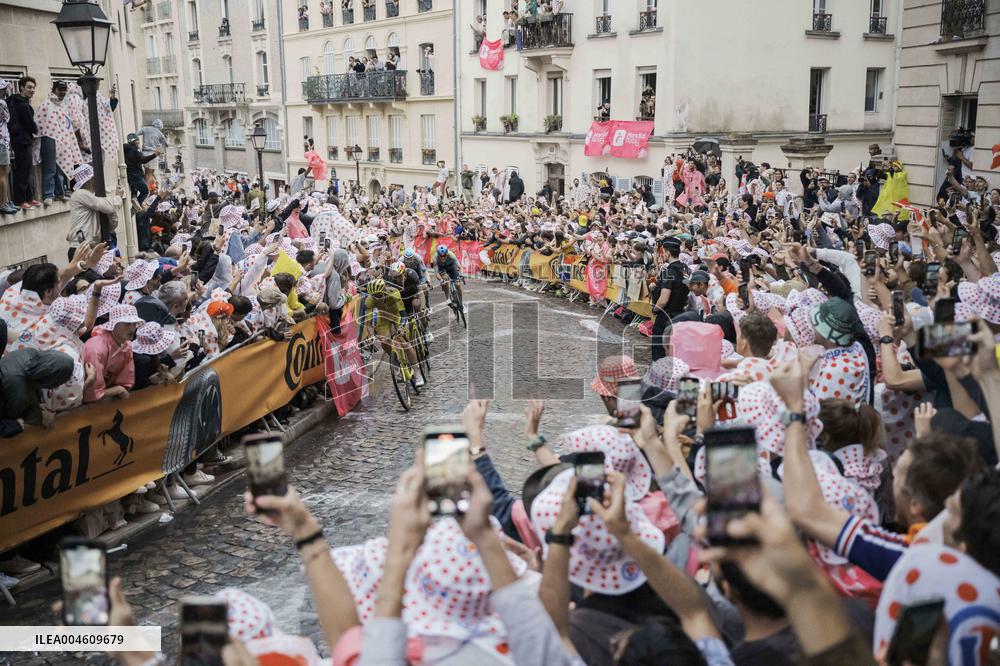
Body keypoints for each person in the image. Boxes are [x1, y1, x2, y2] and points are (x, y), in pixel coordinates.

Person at [360, 278, 423, 386]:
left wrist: (402, 327)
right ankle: (395, 361)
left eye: (379, 295)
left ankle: (417, 373)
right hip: (383, 318)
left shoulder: (394, 292)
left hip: (397, 316)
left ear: (384, 290)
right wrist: (370, 335)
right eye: (374, 296)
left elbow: (403, 314)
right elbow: (369, 322)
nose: (377, 298)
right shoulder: (369, 300)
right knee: (384, 341)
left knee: (405, 343)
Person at [82, 304, 142, 403]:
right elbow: (91, 391)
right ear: (114, 324)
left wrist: (120, 389)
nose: (132, 328)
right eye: (127, 323)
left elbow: (126, 380)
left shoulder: (126, 344)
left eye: (134, 324)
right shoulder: (96, 348)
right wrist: (115, 390)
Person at [66, 164, 122, 257]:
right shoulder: (80, 194)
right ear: (91, 180)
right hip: (81, 248)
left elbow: (112, 224)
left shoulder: (93, 197)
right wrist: (118, 197)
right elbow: (109, 207)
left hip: (92, 248)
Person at [7, 76, 40, 209]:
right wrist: (36, 129)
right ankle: (20, 201)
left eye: (33, 88)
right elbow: (29, 124)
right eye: (29, 87)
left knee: (27, 170)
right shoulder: (22, 105)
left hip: (22, 140)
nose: (32, 90)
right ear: (21, 87)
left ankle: (28, 198)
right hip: (22, 141)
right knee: (22, 170)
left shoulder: (21, 102)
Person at [124, 133, 157, 203]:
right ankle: (136, 206)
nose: (139, 142)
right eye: (137, 140)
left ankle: (134, 197)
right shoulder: (136, 150)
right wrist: (155, 155)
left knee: (134, 189)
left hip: (128, 174)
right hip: (136, 175)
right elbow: (143, 160)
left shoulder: (125, 149)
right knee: (145, 191)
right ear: (135, 141)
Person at [0, 79, 15, 216]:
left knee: (6, 171)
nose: (5, 91)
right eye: (3, 88)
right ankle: (3, 203)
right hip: (1, 141)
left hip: (3, 141)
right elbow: (8, 118)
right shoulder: (2, 103)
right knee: (3, 173)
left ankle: (7, 200)